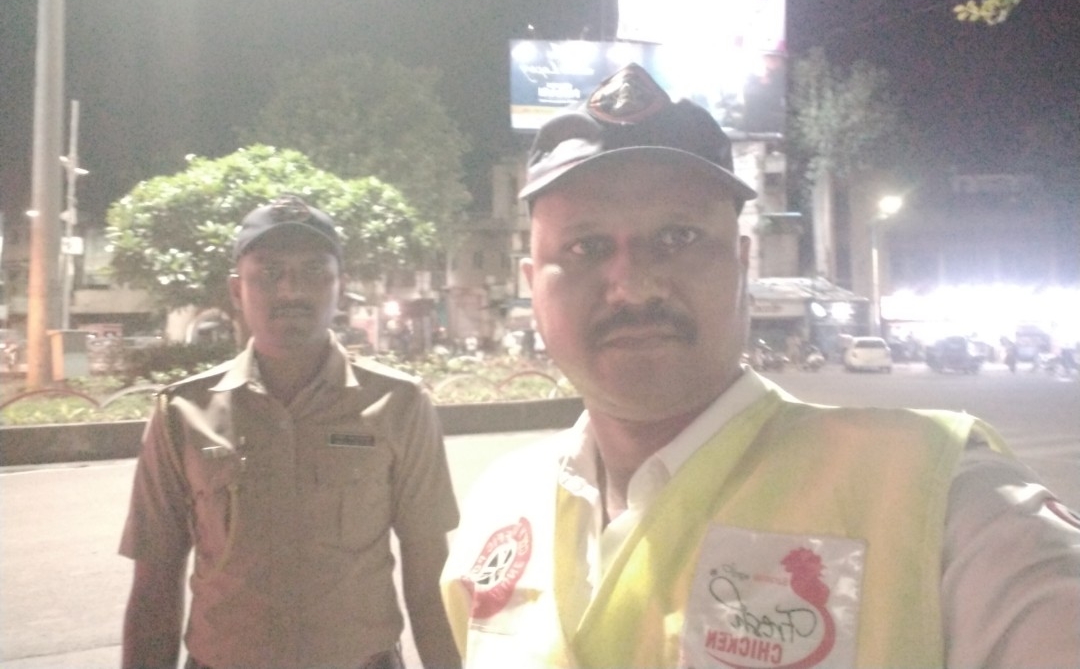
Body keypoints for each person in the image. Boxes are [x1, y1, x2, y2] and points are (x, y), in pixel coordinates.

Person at [440, 64, 1080, 668]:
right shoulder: (501, 508)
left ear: (742, 264)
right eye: (586, 246)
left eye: (679, 237)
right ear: (532, 282)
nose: (632, 286)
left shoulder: (942, 497)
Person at [121, 194, 460, 669]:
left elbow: (429, 578)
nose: (290, 290)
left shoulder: (399, 405)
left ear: (341, 286)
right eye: (269, 272)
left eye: (314, 271)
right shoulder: (182, 412)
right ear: (237, 290)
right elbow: (155, 582)